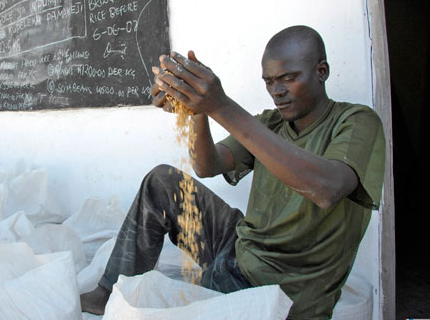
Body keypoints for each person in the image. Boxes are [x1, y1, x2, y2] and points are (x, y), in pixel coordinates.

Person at [80, 25, 385, 319]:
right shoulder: (270, 123)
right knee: (162, 182)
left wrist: (221, 106)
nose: (276, 92)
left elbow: (327, 188)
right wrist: (199, 110)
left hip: (282, 282)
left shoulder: (356, 121)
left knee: (177, 309)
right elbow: (207, 165)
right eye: (268, 82)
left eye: (288, 79)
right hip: (241, 246)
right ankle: (107, 291)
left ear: (322, 72)